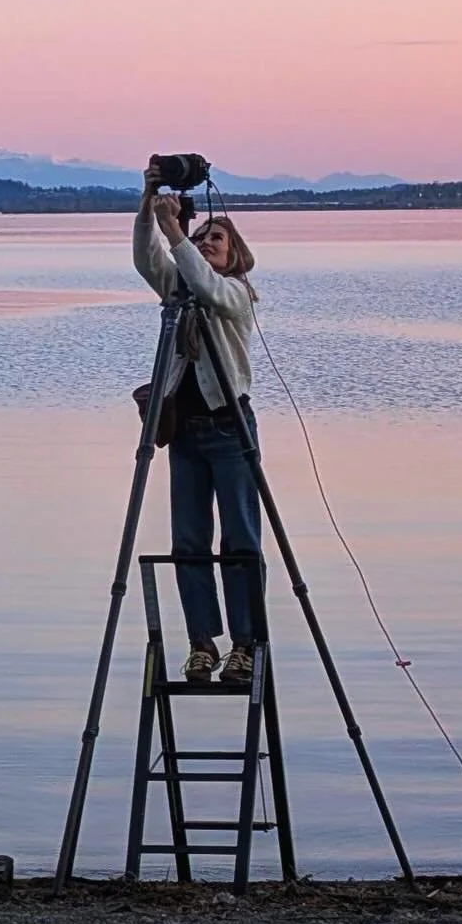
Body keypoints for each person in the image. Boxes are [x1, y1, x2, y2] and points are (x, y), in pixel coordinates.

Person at [133, 164, 262, 689]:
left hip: (230, 429)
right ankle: (202, 643)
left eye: (217, 239)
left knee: (239, 540)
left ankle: (246, 643)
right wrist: (149, 201)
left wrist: (178, 234)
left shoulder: (236, 295)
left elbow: (207, 288)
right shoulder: (178, 286)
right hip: (185, 433)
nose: (206, 242)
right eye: (202, 235)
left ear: (235, 257)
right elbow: (147, 258)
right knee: (188, 540)